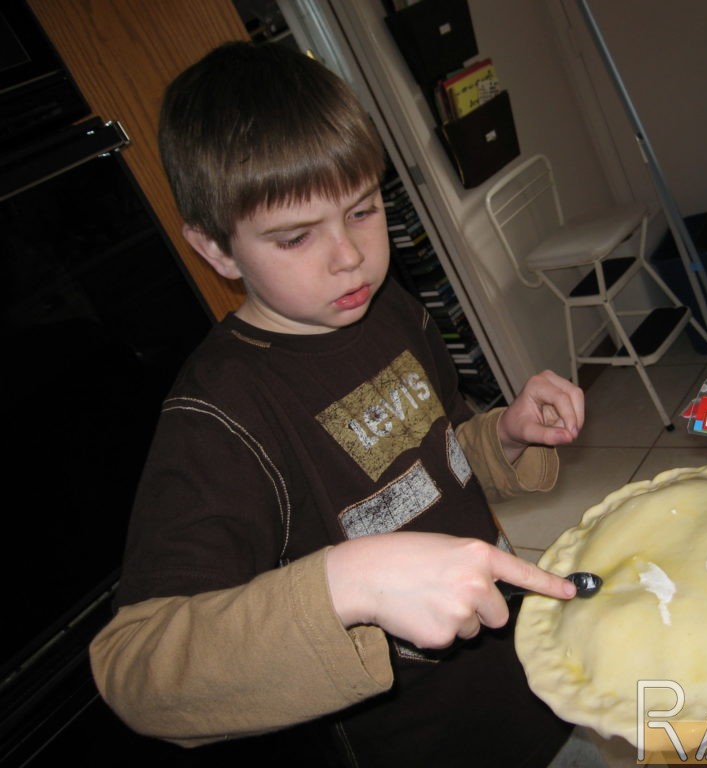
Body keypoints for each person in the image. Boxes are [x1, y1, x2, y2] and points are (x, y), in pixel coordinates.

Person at [89, 41, 587, 767]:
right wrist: (346, 583)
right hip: (425, 744)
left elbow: (434, 465)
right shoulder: (223, 414)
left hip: (526, 677)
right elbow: (134, 671)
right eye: (295, 237)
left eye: (362, 210)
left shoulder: (393, 314)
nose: (349, 256)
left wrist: (503, 438)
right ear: (218, 250)